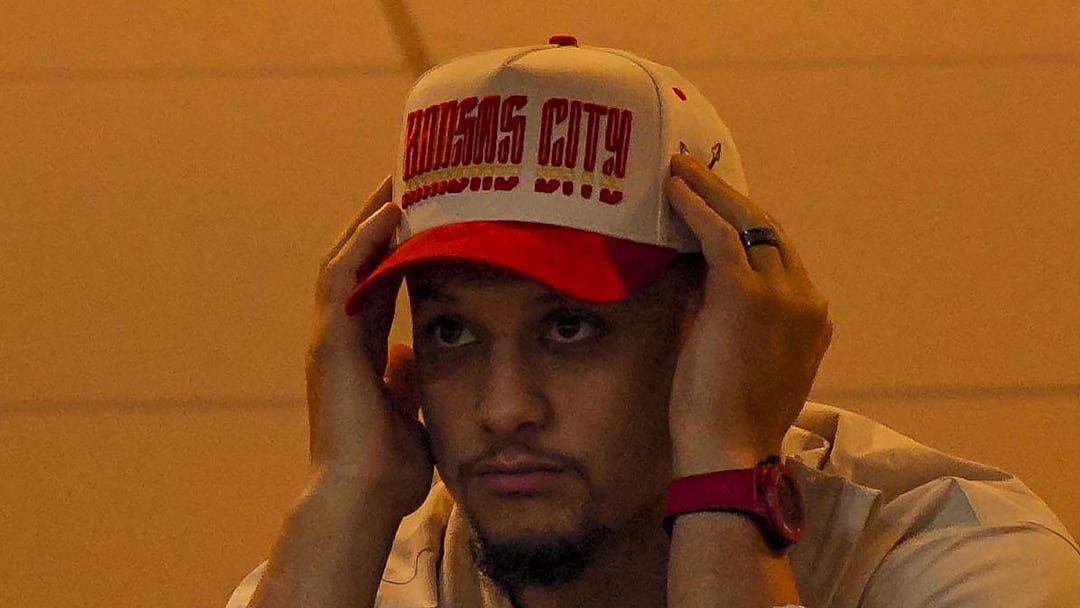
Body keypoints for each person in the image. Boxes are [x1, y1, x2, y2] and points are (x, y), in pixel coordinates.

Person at [226, 38, 1080, 608]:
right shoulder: (361, 571)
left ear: (715, 333)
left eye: (568, 328)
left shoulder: (955, 556)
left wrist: (724, 473)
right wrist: (344, 489)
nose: (503, 409)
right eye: (453, 333)